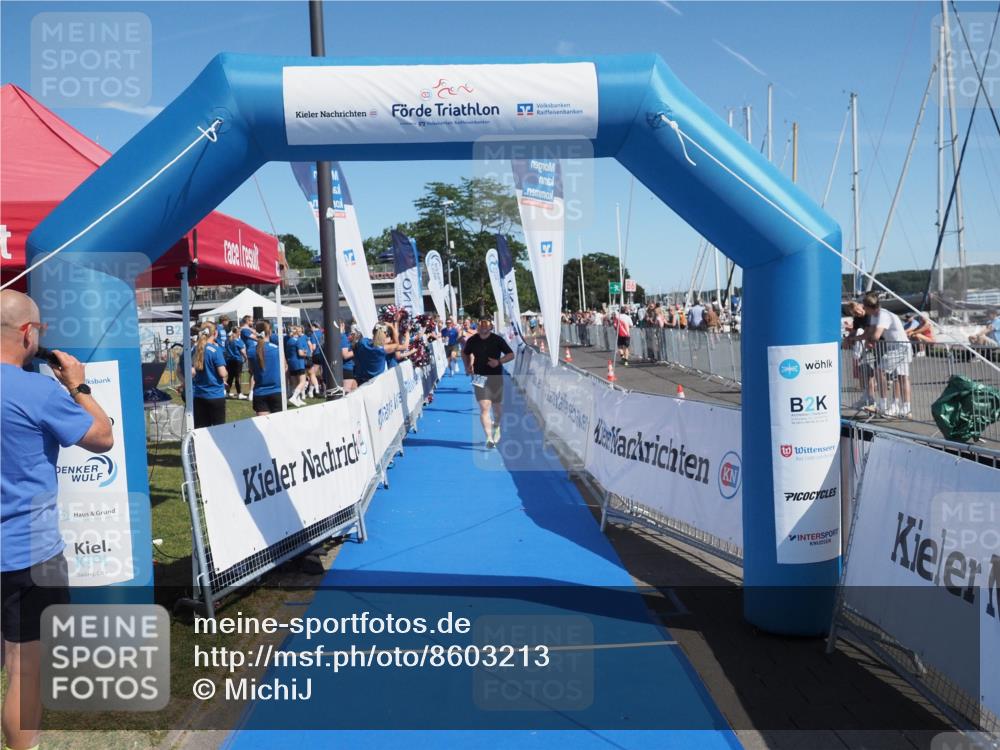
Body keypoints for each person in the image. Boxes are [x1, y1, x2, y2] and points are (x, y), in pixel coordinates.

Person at [1, 290, 114, 750]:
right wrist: (79, 386)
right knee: (25, 672)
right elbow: (102, 437)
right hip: (28, 553)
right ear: (29, 334)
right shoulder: (39, 390)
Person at [462, 317, 515, 448]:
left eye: (486, 325)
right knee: (484, 407)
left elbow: (511, 354)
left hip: (495, 376)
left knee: (497, 407)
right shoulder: (472, 340)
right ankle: (489, 438)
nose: (484, 327)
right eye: (481, 325)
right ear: (478, 327)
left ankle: (496, 426)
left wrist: (498, 362)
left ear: (490, 327)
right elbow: (464, 353)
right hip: (479, 376)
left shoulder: (497, 340)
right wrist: (468, 365)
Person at [862, 292, 912, 418]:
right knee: (898, 377)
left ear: (869, 307)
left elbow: (876, 335)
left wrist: (869, 340)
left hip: (901, 346)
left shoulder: (883, 315)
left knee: (883, 372)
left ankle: (884, 405)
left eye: (864, 306)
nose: (863, 309)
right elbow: (870, 333)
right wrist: (863, 339)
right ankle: (898, 407)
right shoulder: (875, 315)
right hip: (896, 347)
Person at [191, 325, 228, 427]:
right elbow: (222, 373)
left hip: (199, 395)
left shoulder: (196, 349)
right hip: (215, 395)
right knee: (219, 430)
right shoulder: (215, 350)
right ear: (215, 333)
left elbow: (192, 371)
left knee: (201, 429)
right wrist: (226, 374)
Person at [248, 321, 283, 416]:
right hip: (277, 391)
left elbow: (251, 370)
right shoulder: (277, 349)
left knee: (263, 427)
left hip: (260, 392)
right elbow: (285, 368)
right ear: (270, 332)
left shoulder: (251, 350)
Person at [285, 325, 309, 407]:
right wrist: (305, 353)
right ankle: (294, 397)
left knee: (295, 382)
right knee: (302, 381)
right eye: (298, 331)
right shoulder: (297, 341)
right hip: (298, 362)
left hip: (291, 362)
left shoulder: (289, 341)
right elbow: (300, 353)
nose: (300, 332)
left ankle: (298, 399)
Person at [224, 326, 248, 399]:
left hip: (229, 361)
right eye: (239, 331)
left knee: (230, 378)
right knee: (238, 377)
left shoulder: (227, 340)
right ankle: (239, 393)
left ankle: (227, 393)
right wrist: (246, 358)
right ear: (237, 332)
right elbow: (242, 351)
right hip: (237, 360)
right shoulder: (238, 341)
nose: (240, 333)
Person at [340, 322, 357, 393]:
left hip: (351, 368)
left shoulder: (344, 336)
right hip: (347, 368)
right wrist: (357, 350)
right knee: (347, 393)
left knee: (354, 391)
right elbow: (345, 355)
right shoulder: (343, 337)